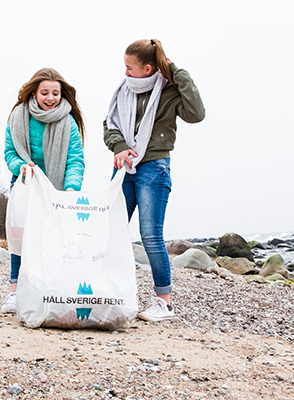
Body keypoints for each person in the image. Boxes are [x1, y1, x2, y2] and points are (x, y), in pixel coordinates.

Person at [103, 39, 205, 322]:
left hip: (155, 168)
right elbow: (109, 125)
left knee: (150, 235)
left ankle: (164, 303)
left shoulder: (170, 91)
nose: (125, 73)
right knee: (110, 230)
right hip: (124, 167)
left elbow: (196, 114)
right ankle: (107, 291)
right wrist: (118, 147)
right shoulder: (124, 91)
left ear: (148, 68)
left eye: (130, 67)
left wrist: (177, 72)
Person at [1, 67, 85, 313]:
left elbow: (75, 160)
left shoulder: (68, 121)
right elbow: (10, 152)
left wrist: (71, 187)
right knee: (20, 239)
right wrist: (20, 166)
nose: (51, 98)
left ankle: (47, 290)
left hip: (56, 191)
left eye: (56, 93)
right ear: (34, 92)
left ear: (62, 94)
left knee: (52, 242)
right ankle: (15, 292)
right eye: (45, 92)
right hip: (25, 185)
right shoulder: (19, 115)